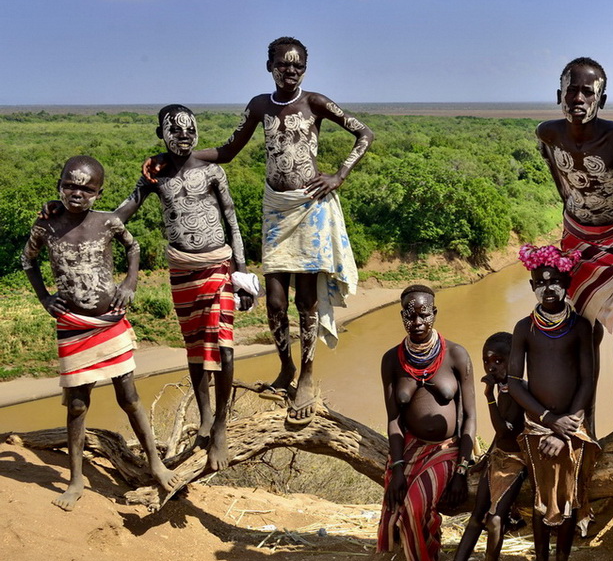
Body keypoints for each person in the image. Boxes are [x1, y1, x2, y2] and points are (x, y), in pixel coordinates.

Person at [147, 37, 374, 425]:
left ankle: (306, 375)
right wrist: (173, 158)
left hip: (310, 208)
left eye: (298, 65)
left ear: (306, 67)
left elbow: (364, 133)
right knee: (273, 301)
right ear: (269, 66)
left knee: (305, 301)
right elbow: (229, 150)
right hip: (276, 210)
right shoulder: (259, 105)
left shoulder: (316, 102)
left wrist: (339, 175)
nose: (291, 71)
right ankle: (284, 367)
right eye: (283, 65)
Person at [22, 156, 178, 510]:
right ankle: (76, 480)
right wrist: (45, 297)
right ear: (59, 185)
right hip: (73, 325)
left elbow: (133, 247)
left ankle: (155, 462)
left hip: (109, 321)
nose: (77, 193)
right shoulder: (46, 225)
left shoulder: (107, 222)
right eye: (70, 185)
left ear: (98, 192)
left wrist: (130, 282)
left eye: (86, 188)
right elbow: (27, 261)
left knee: (129, 397)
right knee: (77, 404)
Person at [116, 105, 256, 471]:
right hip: (181, 271)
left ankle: (221, 425)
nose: (183, 136)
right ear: (161, 134)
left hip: (218, 266)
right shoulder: (156, 175)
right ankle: (205, 415)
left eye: (189, 129)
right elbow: (126, 210)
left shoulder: (212, 171)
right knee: (195, 348)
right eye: (173, 130)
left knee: (224, 348)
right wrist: (82, 219)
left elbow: (232, 220)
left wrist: (241, 272)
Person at [537, 57, 613, 433]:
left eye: (587, 92)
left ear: (601, 100)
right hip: (574, 239)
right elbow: (562, 186)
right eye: (571, 90)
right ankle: (584, 412)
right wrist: (571, 226)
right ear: (559, 95)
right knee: (582, 330)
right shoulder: (547, 133)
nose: (578, 97)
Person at [507, 245, 599, 561]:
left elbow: (587, 382)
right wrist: (548, 421)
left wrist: (569, 426)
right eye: (541, 283)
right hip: (539, 428)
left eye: (556, 282)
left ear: (567, 284)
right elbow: (515, 382)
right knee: (542, 502)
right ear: (532, 285)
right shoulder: (524, 329)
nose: (548, 289)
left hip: (572, 426)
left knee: (570, 499)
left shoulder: (580, 328)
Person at [378, 285, 476, 561]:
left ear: (434, 313)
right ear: (402, 316)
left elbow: (470, 417)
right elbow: (394, 420)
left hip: (447, 449)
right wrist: (396, 467)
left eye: (424, 314)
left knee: (414, 505)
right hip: (409, 447)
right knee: (399, 496)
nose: (417, 321)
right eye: (410, 314)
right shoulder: (391, 360)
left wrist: (462, 469)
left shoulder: (457, 354)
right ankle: (422, 557)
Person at [426, 332, 527, 561]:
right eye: (486, 361)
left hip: (517, 463)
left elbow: (506, 428)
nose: (492, 367)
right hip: (497, 457)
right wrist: (486, 457)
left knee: (495, 521)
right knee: (475, 518)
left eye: (499, 361)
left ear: (514, 361)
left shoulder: (520, 390)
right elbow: (500, 437)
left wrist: (488, 396)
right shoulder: (506, 388)